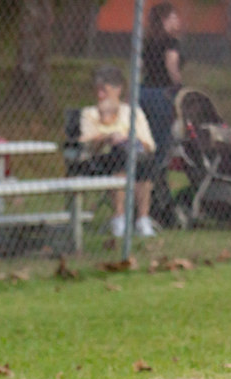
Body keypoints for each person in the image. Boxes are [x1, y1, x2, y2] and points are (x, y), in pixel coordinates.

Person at [77, 64, 157, 238]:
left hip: (134, 156)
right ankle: (119, 218)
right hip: (100, 159)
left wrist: (129, 138)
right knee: (119, 157)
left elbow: (149, 144)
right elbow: (86, 143)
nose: (99, 95)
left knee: (144, 161)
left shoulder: (133, 113)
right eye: (97, 90)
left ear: (118, 89)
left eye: (104, 91)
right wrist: (107, 137)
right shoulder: (89, 113)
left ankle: (142, 219)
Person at [140, 1, 183, 228]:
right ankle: (156, 194)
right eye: (173, 17)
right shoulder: (171, 43)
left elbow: (139, 66)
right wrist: (180, 87)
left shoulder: (146, 42)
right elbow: (171, 66)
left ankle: (146, 188)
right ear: (164, 20)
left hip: (144, 92)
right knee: (159, 147)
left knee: (145, 143)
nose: (177, 21)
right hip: (161, 95)